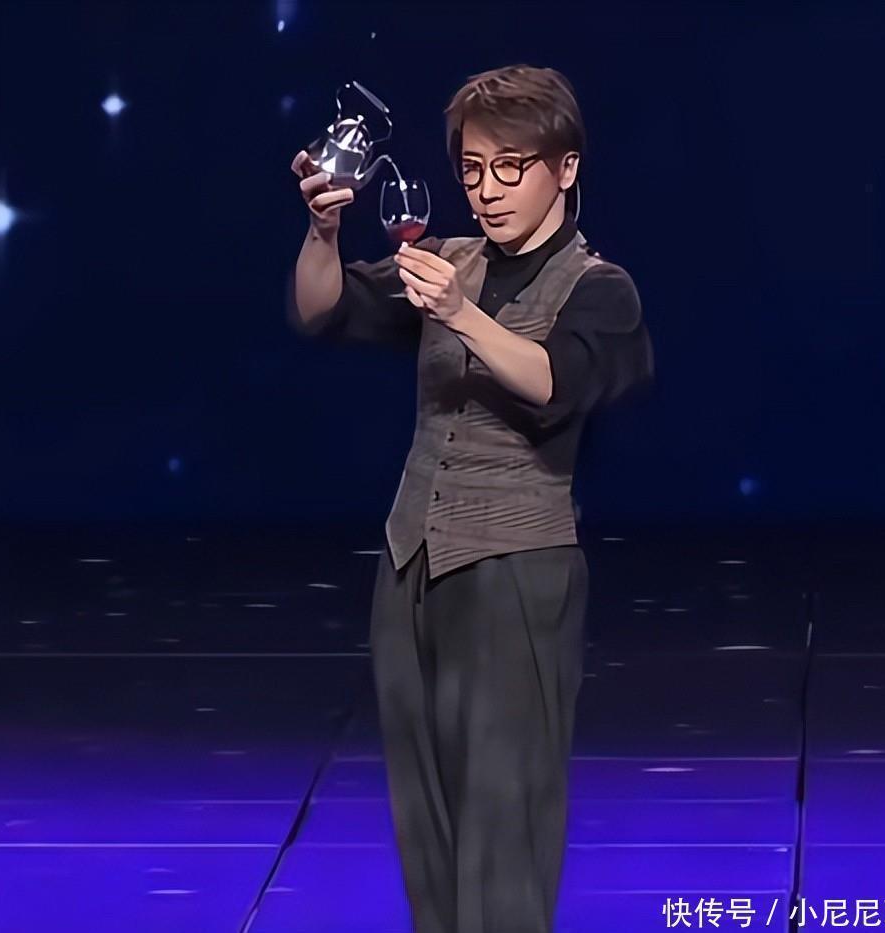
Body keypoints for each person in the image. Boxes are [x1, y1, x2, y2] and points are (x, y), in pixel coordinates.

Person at [287, 63, 654, 933]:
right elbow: (322, 310)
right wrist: (322, 231)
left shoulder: (598, 286)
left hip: (515, 569)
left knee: (504, 812)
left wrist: (460, 315)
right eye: (472, 170)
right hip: (413, 558)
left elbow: (555, 382)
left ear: (565, 168)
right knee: (427, 813)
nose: (487, 191)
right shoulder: (449, 261)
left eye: (510, 168)